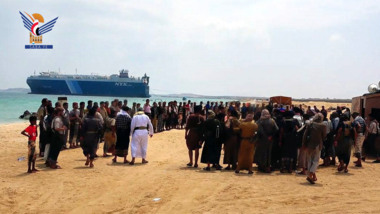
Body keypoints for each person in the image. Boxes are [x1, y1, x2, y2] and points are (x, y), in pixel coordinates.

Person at [302, 113, 326, 184]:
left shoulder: (310, 124)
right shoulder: (323, 126)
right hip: (318, 145)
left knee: (309, 160)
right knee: (316, 161)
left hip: (309, 144)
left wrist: (304, 144)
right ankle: (311, 175)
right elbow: (324, 136)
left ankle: (311, 176)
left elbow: (305, 135)